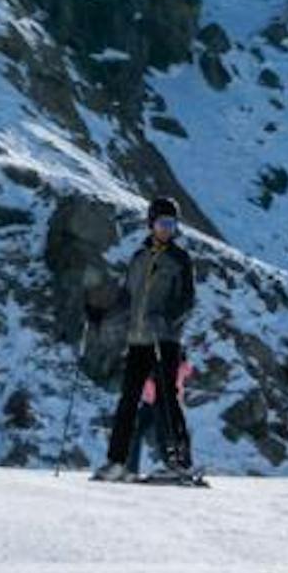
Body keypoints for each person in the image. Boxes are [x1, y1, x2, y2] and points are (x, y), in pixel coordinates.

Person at [98, 194, 199, 482]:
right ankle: (115, 462)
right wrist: (102, 315)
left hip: (165, 340)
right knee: (127, 400)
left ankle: (179, 462)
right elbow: (128, 298)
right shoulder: (138, 258)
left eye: (172, 223)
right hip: (138, 340)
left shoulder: (180, 260)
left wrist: (167, 318)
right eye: (162, 223)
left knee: (167, 401)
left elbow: (187, 300)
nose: (167, 228)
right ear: (151, 223)